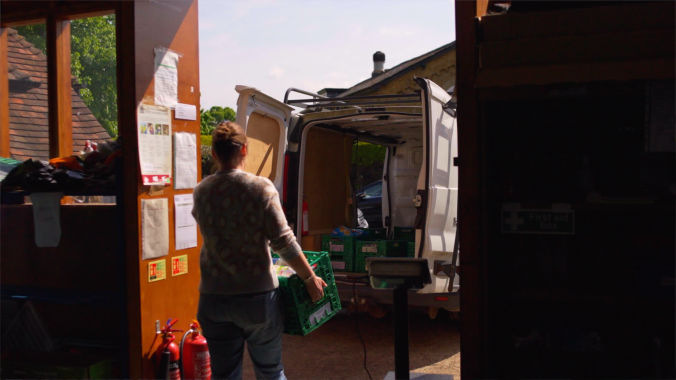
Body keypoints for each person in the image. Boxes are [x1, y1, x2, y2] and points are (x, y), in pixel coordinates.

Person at [192, 121, 326, 380]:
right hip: (256, 298)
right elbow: (284, 242)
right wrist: (309, 278)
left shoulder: (202, 191)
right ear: (244, 149)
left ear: (215, 154)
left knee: (224, 374)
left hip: (213, 298)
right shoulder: (261, 188)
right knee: (269, 371)